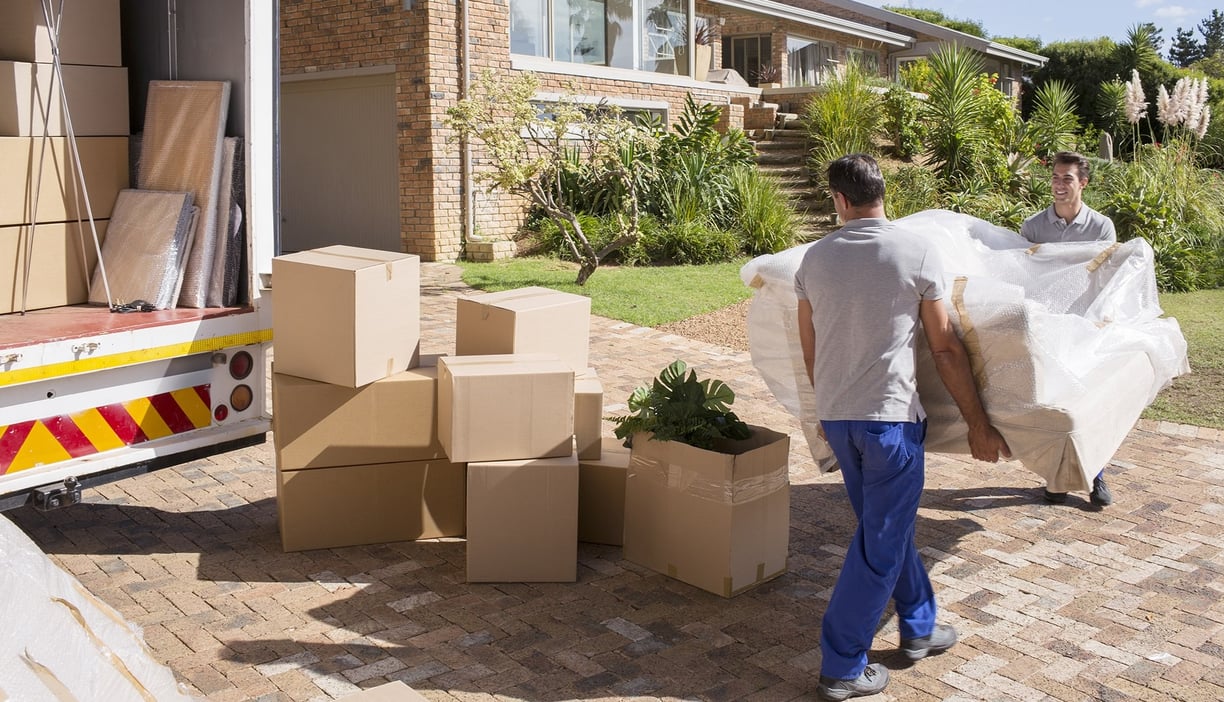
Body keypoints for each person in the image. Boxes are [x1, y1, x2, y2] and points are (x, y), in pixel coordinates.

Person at [795, 154, 1012, 701]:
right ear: (882, 194)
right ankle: (843, 663)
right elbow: (944, 347)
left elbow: (810, 347)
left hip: (840, 418)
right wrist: (978, 424)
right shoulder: (916, 251)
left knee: (885, 529)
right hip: (889, 422)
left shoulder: (813, 261)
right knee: (880, 543)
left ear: (840, 200)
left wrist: (822, 413)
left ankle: (918, 625)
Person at [1020, 151, 1116, 507]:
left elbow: (1102, 279)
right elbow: (1025, 276)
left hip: (1084, 326)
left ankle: (1096, 476)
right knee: (1054, 403)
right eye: (1056, 178)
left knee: (1087, 401)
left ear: (1083, 183)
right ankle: (1056, 479)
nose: (1059, 186)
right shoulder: (1033, 227)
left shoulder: (1101, 227)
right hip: (1046, 327)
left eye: (1067, 179)